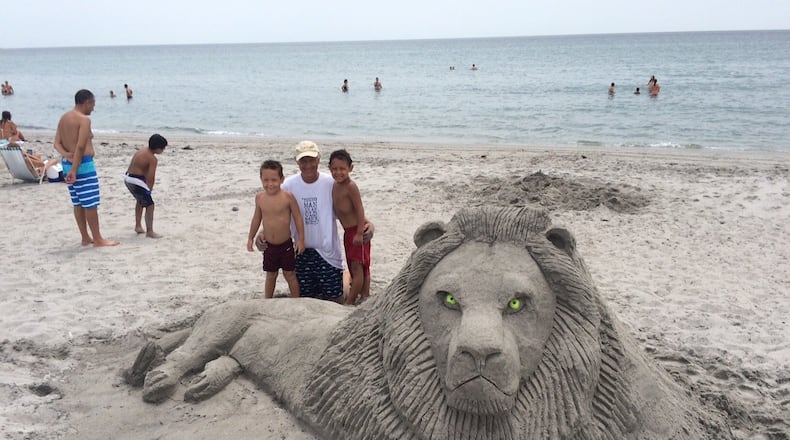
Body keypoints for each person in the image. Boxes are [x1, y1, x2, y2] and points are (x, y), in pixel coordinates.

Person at [257, 141, 373, 302]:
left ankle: (345, 277)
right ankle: (342, 277)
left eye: (311, 160)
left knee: (335, 300)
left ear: (318, 160)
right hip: (302, 253)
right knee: (306, 298)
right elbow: (274, 212)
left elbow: (349, 211)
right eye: (303, 161)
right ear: (297, 162)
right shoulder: (289, 185)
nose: (308, 165)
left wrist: (369, 226)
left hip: (327, 253)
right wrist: (262, 234)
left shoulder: (331, 183)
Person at [53, 89, 119, 247]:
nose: (93, 109)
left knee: (78, 202)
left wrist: (67, 155)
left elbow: (56, 143)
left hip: (68, 163)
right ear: (87, 102)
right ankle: (97, 239)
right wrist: (75, 168)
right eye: (93, 104)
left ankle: (85, 237)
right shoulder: (83, 120)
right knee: (90, 203)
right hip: (82, 165)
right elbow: (81, 146)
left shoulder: (64, 118)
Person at [247, 160, 306, 299]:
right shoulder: (260, 198)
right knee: (271, 275)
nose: (270, 184)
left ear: (282, 180)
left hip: (286, 245)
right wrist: (250, 237)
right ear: (261, 180)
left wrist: (301, 240)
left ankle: (296, 301)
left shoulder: (288, 197)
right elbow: (256, 219)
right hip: (269, 246)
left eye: (274, 180)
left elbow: (298, 218)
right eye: (266, 180)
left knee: (289, 274)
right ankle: (267, 300)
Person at [329, 149, 371, 305]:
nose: (338, 172)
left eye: (342, 169)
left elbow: (359, 209)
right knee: (358, 265)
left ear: (350, 168)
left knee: (358, 267)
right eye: (334, 169)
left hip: (357, 230)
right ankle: (365, 294)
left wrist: (360, 232)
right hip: (348, 232)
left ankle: (351, 301)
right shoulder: (334, 185)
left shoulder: (351, 186)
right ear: (329, 169)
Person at [124, 134, 167, 238]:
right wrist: (149, 190)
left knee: (140, 201)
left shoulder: (142, 150)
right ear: (158, 148)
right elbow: (151, 177)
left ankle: (138, 226)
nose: (164, 150)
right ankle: (150, 231)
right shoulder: (152, 159)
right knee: (150, 205)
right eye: (163, 148)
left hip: (127, 178)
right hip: (136, 180)